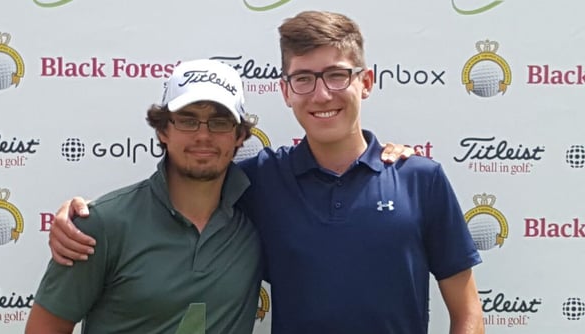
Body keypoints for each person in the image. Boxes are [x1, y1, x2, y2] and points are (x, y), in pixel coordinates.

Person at [47, 10, 484, 334]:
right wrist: (74, 214)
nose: (321, 93)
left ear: (365, 83)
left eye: (336, 75)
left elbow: (466, 311)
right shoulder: (257, 181)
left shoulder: (420, 178)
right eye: (304, 79)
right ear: (285, 91)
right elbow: (178, 188)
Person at [25, 59, 264, 334]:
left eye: (219, 123)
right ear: (163, 130)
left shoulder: (258, 216)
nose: (203, 135)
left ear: (239, 135)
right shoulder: (100, 225)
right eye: (188, 121)